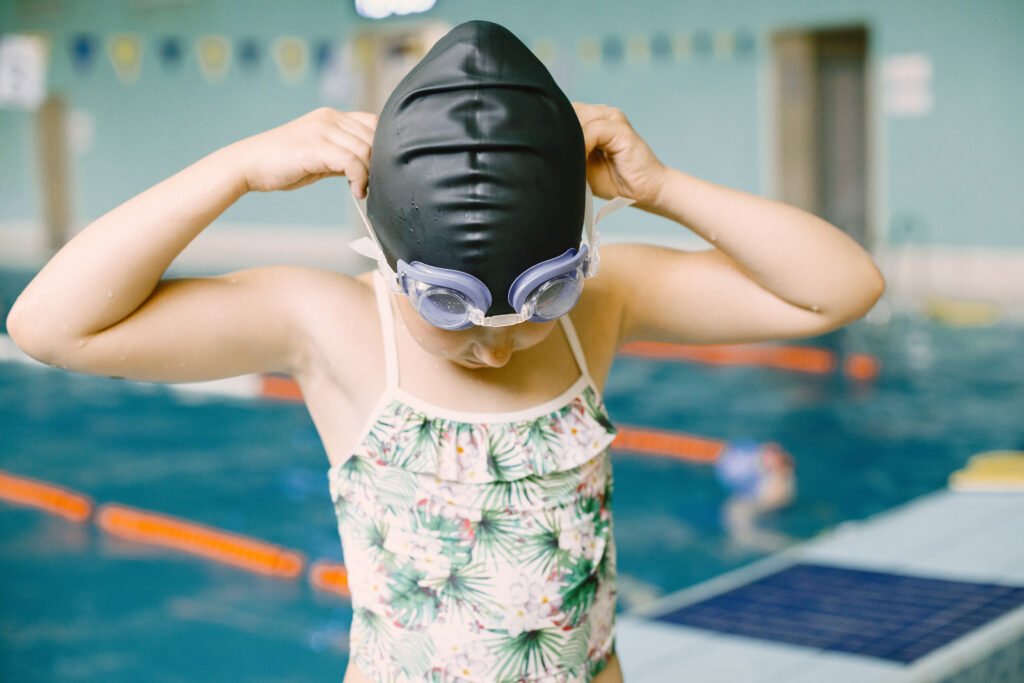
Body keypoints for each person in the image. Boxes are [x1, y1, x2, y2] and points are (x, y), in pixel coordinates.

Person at [6, 19, 885, 683]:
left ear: (577, 264)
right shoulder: (331, 324)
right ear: (391, 261)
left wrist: (665, 188)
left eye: (536, 308)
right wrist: (236, 167)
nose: (497, 351)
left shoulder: (602, 303)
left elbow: (840, 289)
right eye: (457, 319)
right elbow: (52, 327)